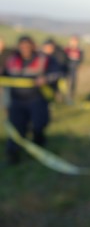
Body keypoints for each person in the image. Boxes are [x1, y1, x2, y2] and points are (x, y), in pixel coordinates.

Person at [3, 35, 61, 164]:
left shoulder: (44, 60)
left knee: (39, 125)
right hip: (17, 101)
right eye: (22, 46)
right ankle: (13, 157)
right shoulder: (11, 60)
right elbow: (4, 76)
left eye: (27, 46)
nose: (25, 49)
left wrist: (45, 79)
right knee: (16, 129)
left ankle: (39, 149)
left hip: (37, 100)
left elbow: (57, 73)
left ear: (33, 46)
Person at [63, 35, 85, 100]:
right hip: (66, 67)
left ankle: (71, 96)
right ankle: (63, 96)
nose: (74, 42)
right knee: (64, 82)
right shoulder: (66, 49)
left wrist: (79, 65)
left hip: (74, 68)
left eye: (76, 41)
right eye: (73, 41)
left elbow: (81, 59)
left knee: (73, 82)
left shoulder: (80, 50)